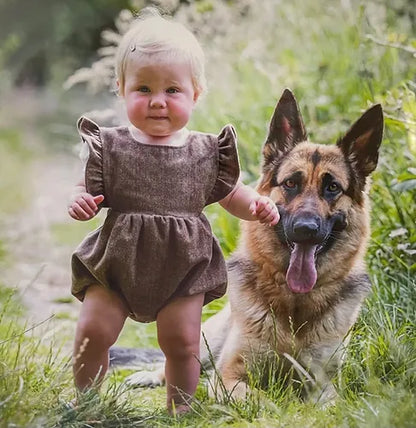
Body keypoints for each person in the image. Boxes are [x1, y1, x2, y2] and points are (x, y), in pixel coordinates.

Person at [67, 10, 279, 415]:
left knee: (183, 344)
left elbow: (232, 194)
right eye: (143, 88)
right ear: (121, 89)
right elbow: (86, 188)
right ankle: (86, 403)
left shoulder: (205, 152)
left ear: (195, 94)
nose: (158, 101)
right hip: (116, 261)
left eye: (173, 90)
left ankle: (179, 411)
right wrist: (78, 200)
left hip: (182, 265)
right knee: (93, 331)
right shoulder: (109, 146)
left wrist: (256, 205)